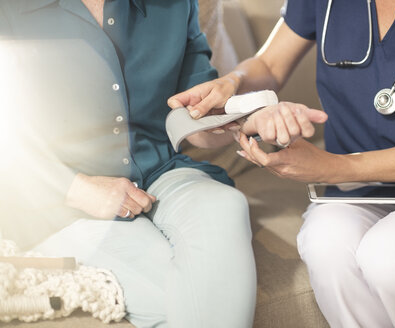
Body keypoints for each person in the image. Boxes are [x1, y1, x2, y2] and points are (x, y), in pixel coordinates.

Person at [0, 0, 326, 327]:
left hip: (161, 172)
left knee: (224, 203)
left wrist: (247, 117)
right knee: (185, 296)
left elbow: (195, 120)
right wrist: (75, 189)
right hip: (57, 200)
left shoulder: (175, 6)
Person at [168, 0, 395, 326]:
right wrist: (233, 83)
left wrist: (333, 166)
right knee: (326, 246)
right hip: (355, 190)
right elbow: (269, 65)